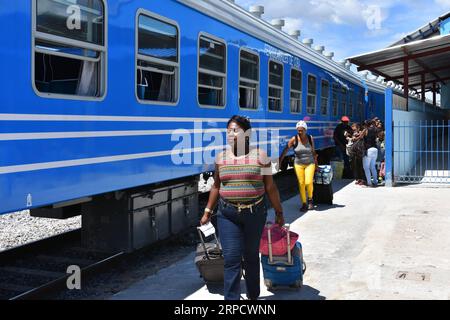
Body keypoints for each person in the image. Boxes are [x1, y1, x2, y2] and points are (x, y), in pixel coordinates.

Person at [200, 115, 284, 301]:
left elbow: (270, 186)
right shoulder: (221, 158)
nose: (230, 134)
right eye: (228, 130)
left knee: (251, 256)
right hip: (227, 214)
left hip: (255, 213)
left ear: (247, 134)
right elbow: (216, 186)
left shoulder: (261, 157)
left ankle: (253, 297)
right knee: (231, 259)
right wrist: (207, 211)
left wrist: (279, 212)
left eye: (235, 130)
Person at [279, 120, 317, 212]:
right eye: (298, 130)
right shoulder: (294, 139)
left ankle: (310, 200)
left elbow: (313, 152)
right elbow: (285, 149)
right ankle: (304, 203)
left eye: (301, 130)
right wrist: (280, 160)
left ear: (305, 130)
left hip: (310, 163)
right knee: (301, 183)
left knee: (308, 182)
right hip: (298, 164)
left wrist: (317, 164)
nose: (300, 132)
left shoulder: (310, 138)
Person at [362, 120, 379, 187]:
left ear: (365, 125)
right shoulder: (375, 130)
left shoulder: (365, 130)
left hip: (368, 150)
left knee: (366, 167)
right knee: (372, 167)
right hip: (375, 150)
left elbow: (360, 137)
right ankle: (375, 182)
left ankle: (369, 183)